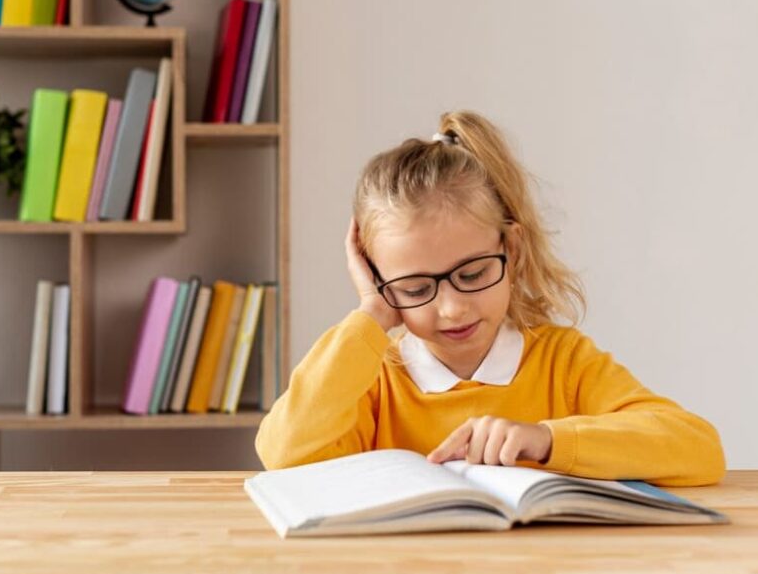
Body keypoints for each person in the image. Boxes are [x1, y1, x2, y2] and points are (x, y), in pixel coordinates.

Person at [255, 111, 726, 486]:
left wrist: (546, 440)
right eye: (416, 289)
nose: (453, 308)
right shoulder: (371, 379)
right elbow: (283, 452)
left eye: (474, 273)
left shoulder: (564, 363)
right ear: (381, 282)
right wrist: (372, 314)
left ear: (511, 249)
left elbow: (698, 449)